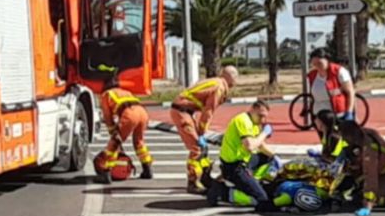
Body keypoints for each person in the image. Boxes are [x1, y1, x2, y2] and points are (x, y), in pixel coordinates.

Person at [169, 65, 239, 194]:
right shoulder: (220, 87)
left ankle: (205, 178)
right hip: (182, 112)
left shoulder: (214, 81)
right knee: (196, 148)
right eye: (236, 77)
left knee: (202, 149)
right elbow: (208, 112)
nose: (236, 81)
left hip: (185, 111)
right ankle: (193, 182)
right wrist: (201, 132)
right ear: (231, 77)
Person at [206, 100, 273, 208]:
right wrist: (265, 133)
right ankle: (222, 191)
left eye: (265, 117)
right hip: (234, 166)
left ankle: (253, 181)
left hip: (244, 160)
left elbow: (261, 146)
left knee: (267, 158)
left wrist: (274, 156)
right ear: (252, 110)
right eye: (260, 116)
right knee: (263, 200)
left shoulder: (255, 123)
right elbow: (250, 146)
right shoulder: (243, 121)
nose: (262, 120)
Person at [95, 76, 153, 183]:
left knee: (114, 143)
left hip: (130, 113)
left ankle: (106, 173)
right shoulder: (124, 92)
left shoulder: (106, 94)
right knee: (139, 142)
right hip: (143, 113)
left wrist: (113, 131)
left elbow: (108, 117)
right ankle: (147, 168)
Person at [307, 48, 357, 120]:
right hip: (319, 115)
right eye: (314, 64)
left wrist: (349, 112)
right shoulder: (312, 75)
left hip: (337, 114)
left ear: (327, 60)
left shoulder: (339, 71)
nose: (317, 66)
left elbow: (350, 92)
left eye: (320, 63)